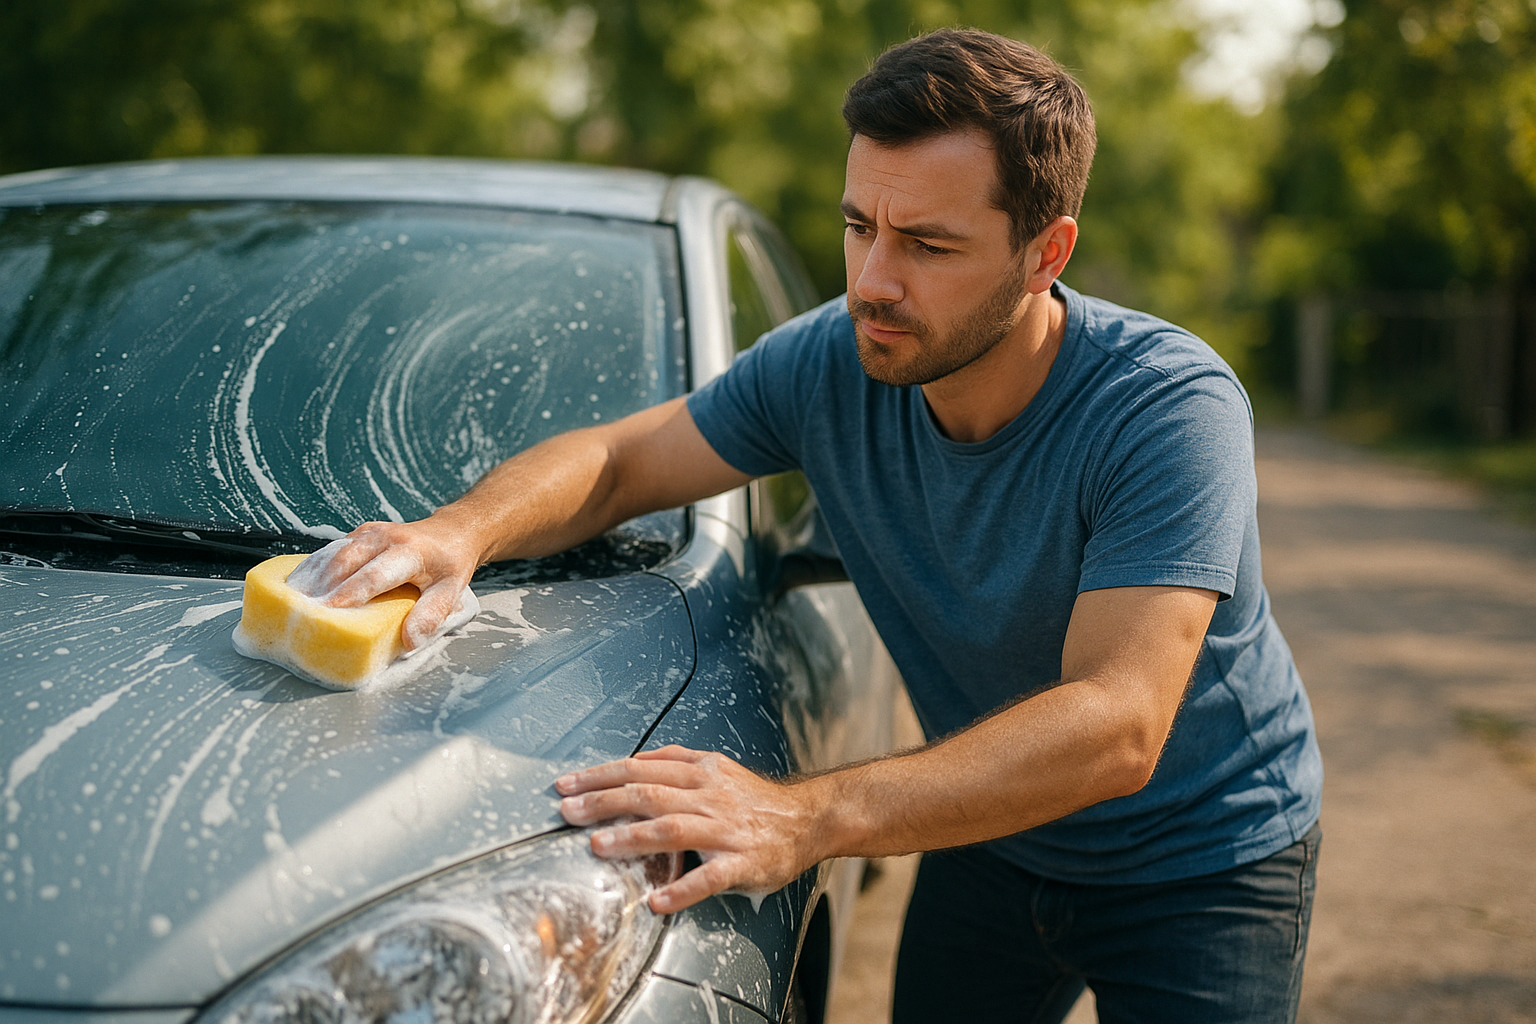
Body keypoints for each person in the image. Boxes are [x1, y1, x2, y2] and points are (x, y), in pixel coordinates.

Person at [307, 28, 1322, 1024]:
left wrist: (804, 814)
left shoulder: (1166, 407)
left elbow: (1118, 722)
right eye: (859, 227)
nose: (874, 279)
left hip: (1206, 860)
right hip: (997, 838)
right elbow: (623, 461)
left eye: (928, 244)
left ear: (1043, 253)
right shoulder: (834, 361)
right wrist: (459, 530)